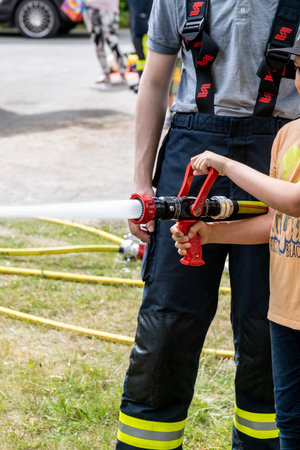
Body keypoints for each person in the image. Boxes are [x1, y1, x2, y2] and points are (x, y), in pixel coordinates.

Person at [116, 1, 300, 449]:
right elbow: (155, 81)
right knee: (169, 319)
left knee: (265, 322)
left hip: (273, 150)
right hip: (191, 152)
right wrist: (142, 183)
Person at [171, 41, 300, 450]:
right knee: (292, 425)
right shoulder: (288, 136)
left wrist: (227, 165)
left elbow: (297, 201)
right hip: (286, 313)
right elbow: (277, 218)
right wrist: (210, 234)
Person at [83, 0, 126, 84]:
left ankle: (122, 72)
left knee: (113, 42)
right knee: (98, 43)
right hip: (91, 7)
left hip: (109, 7)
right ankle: (105, 72)